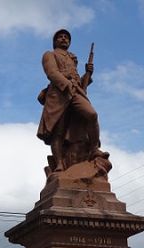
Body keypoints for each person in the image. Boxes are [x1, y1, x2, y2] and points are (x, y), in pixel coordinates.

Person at [37, 29, 105, 172]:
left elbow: (79, 83)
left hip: (75, 92)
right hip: (59, 94)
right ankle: (60, 163)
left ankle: (94, 149)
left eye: (66, 37)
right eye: (60, 37)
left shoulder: (72, 59)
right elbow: (52, 73)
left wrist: (88, 73)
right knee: (58, 131)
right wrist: (67, 84)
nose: (63, 39)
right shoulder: (50, 55)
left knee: (91, 115)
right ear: (55, 41)